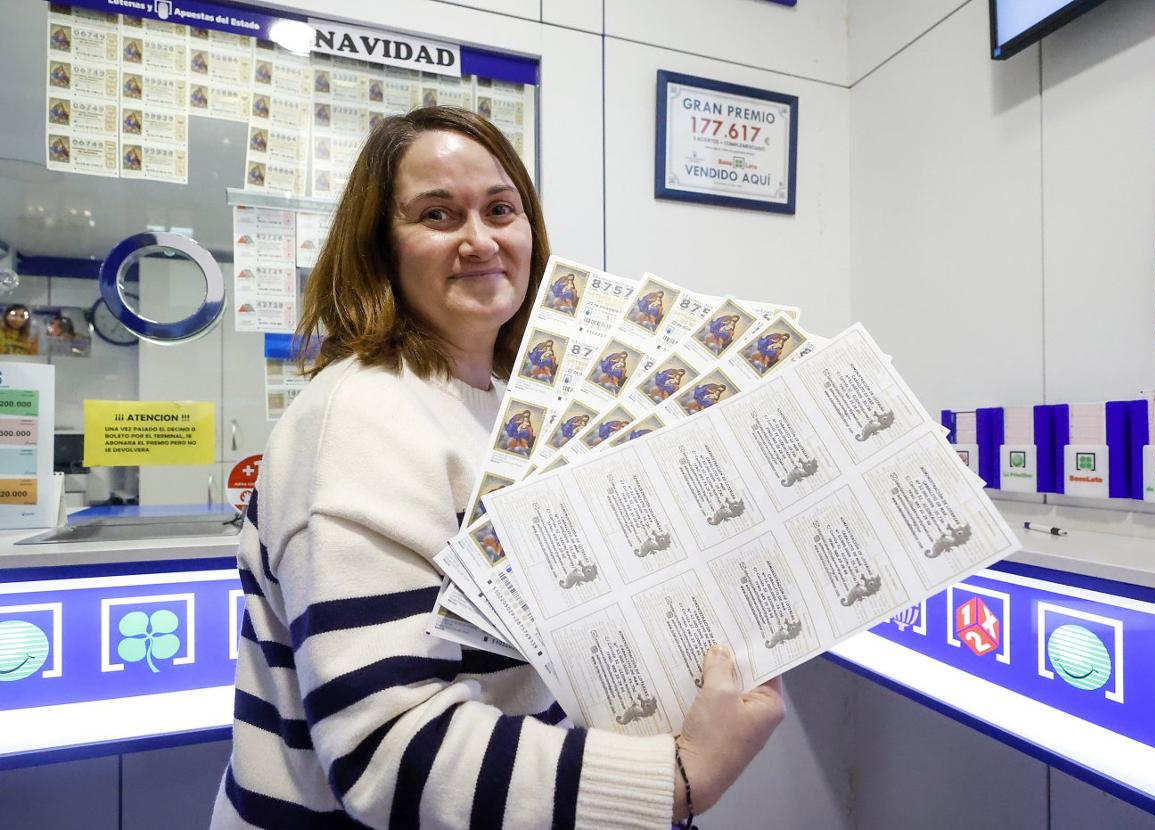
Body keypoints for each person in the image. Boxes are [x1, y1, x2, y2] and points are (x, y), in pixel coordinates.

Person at [210, 106, 785, 830]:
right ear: (381, 247)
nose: (480, 239)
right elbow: (390, 751)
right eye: (438, 214)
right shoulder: (359, 416)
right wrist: (676, 777)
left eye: (501, 209)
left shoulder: (503, 406)